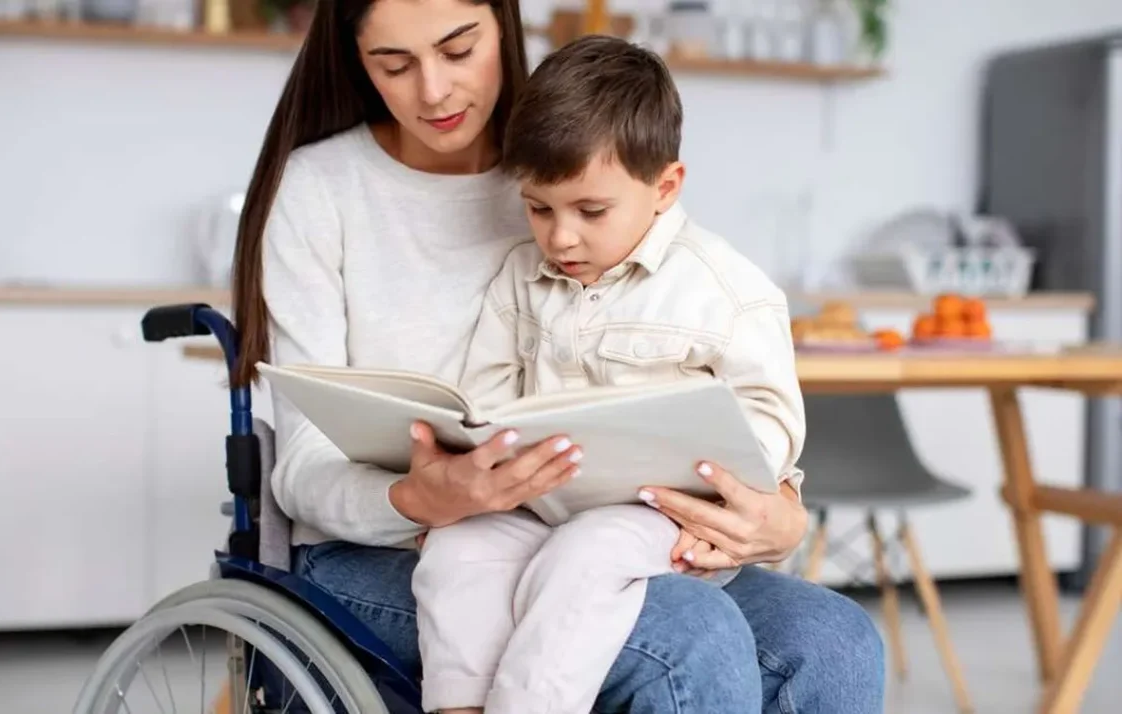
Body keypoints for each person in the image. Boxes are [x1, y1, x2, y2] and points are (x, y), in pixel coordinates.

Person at [229, 0, 886, 712]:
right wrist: (419, 499)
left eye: (457, 49)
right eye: (395, 64)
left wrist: (778, 510)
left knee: (835, 639)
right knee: (687, 633)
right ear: (357, 61)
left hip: (590, 521)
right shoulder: (323, 191)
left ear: (503, 28)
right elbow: (300, 469)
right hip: (387, 547)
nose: (435, 91)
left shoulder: (571, 151)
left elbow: (703, 368)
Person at [413, 35, 809, 714]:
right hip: (541, 505)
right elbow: (483, 395)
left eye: (590, 212)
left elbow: (771, 422)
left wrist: (731, 478)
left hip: (656, 520)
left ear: (665, 188)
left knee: (587, 554)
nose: (560, 237)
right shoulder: (519, 277)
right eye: (539, 208)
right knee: (458, 547)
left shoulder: (727, 291)